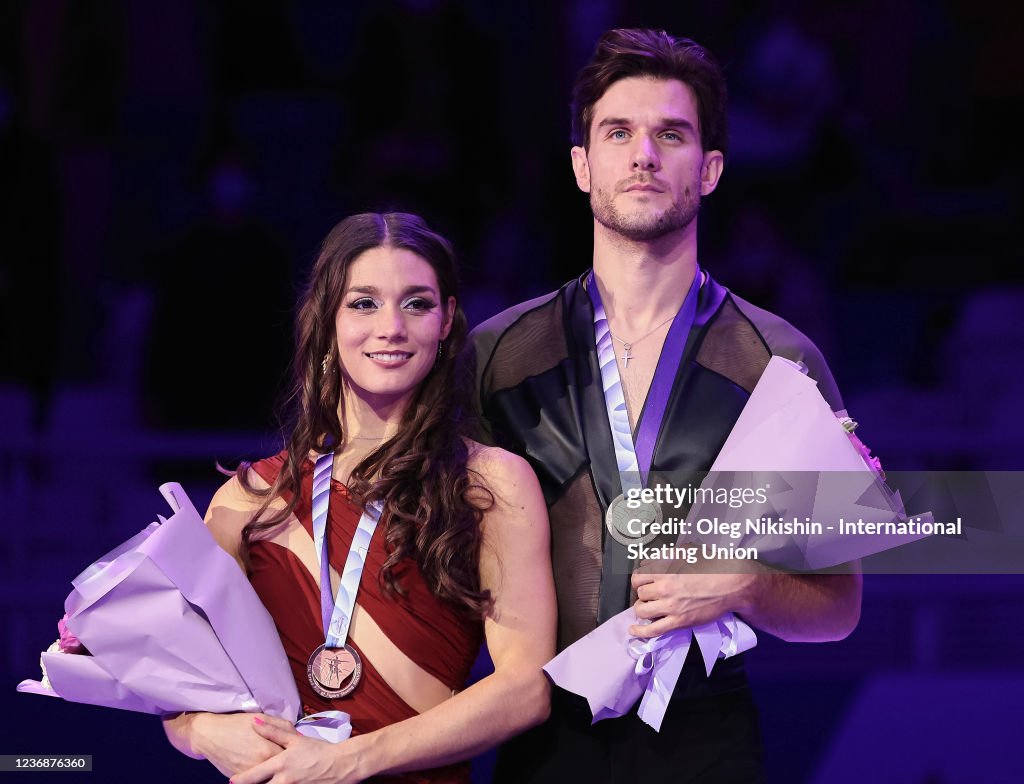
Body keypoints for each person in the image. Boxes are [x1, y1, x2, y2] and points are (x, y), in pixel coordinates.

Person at [470, 29, 862, 783]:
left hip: (705, 737)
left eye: (670, 134)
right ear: (582, 165)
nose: (643, 154)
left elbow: (840, 604)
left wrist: (746, 584)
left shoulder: (780, 361)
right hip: (541, 731)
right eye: (617, 132)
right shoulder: (496, 357)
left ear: (710, 169)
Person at [163, 212, 556, 783]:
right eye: (364, 303)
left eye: (416, 303)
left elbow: (526, 688)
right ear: (328, 319)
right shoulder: (248, 500)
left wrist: (348, 761)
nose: (391, 327)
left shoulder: (490, 484)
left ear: (447, 319)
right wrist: (199, 731)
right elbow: (177, 683)